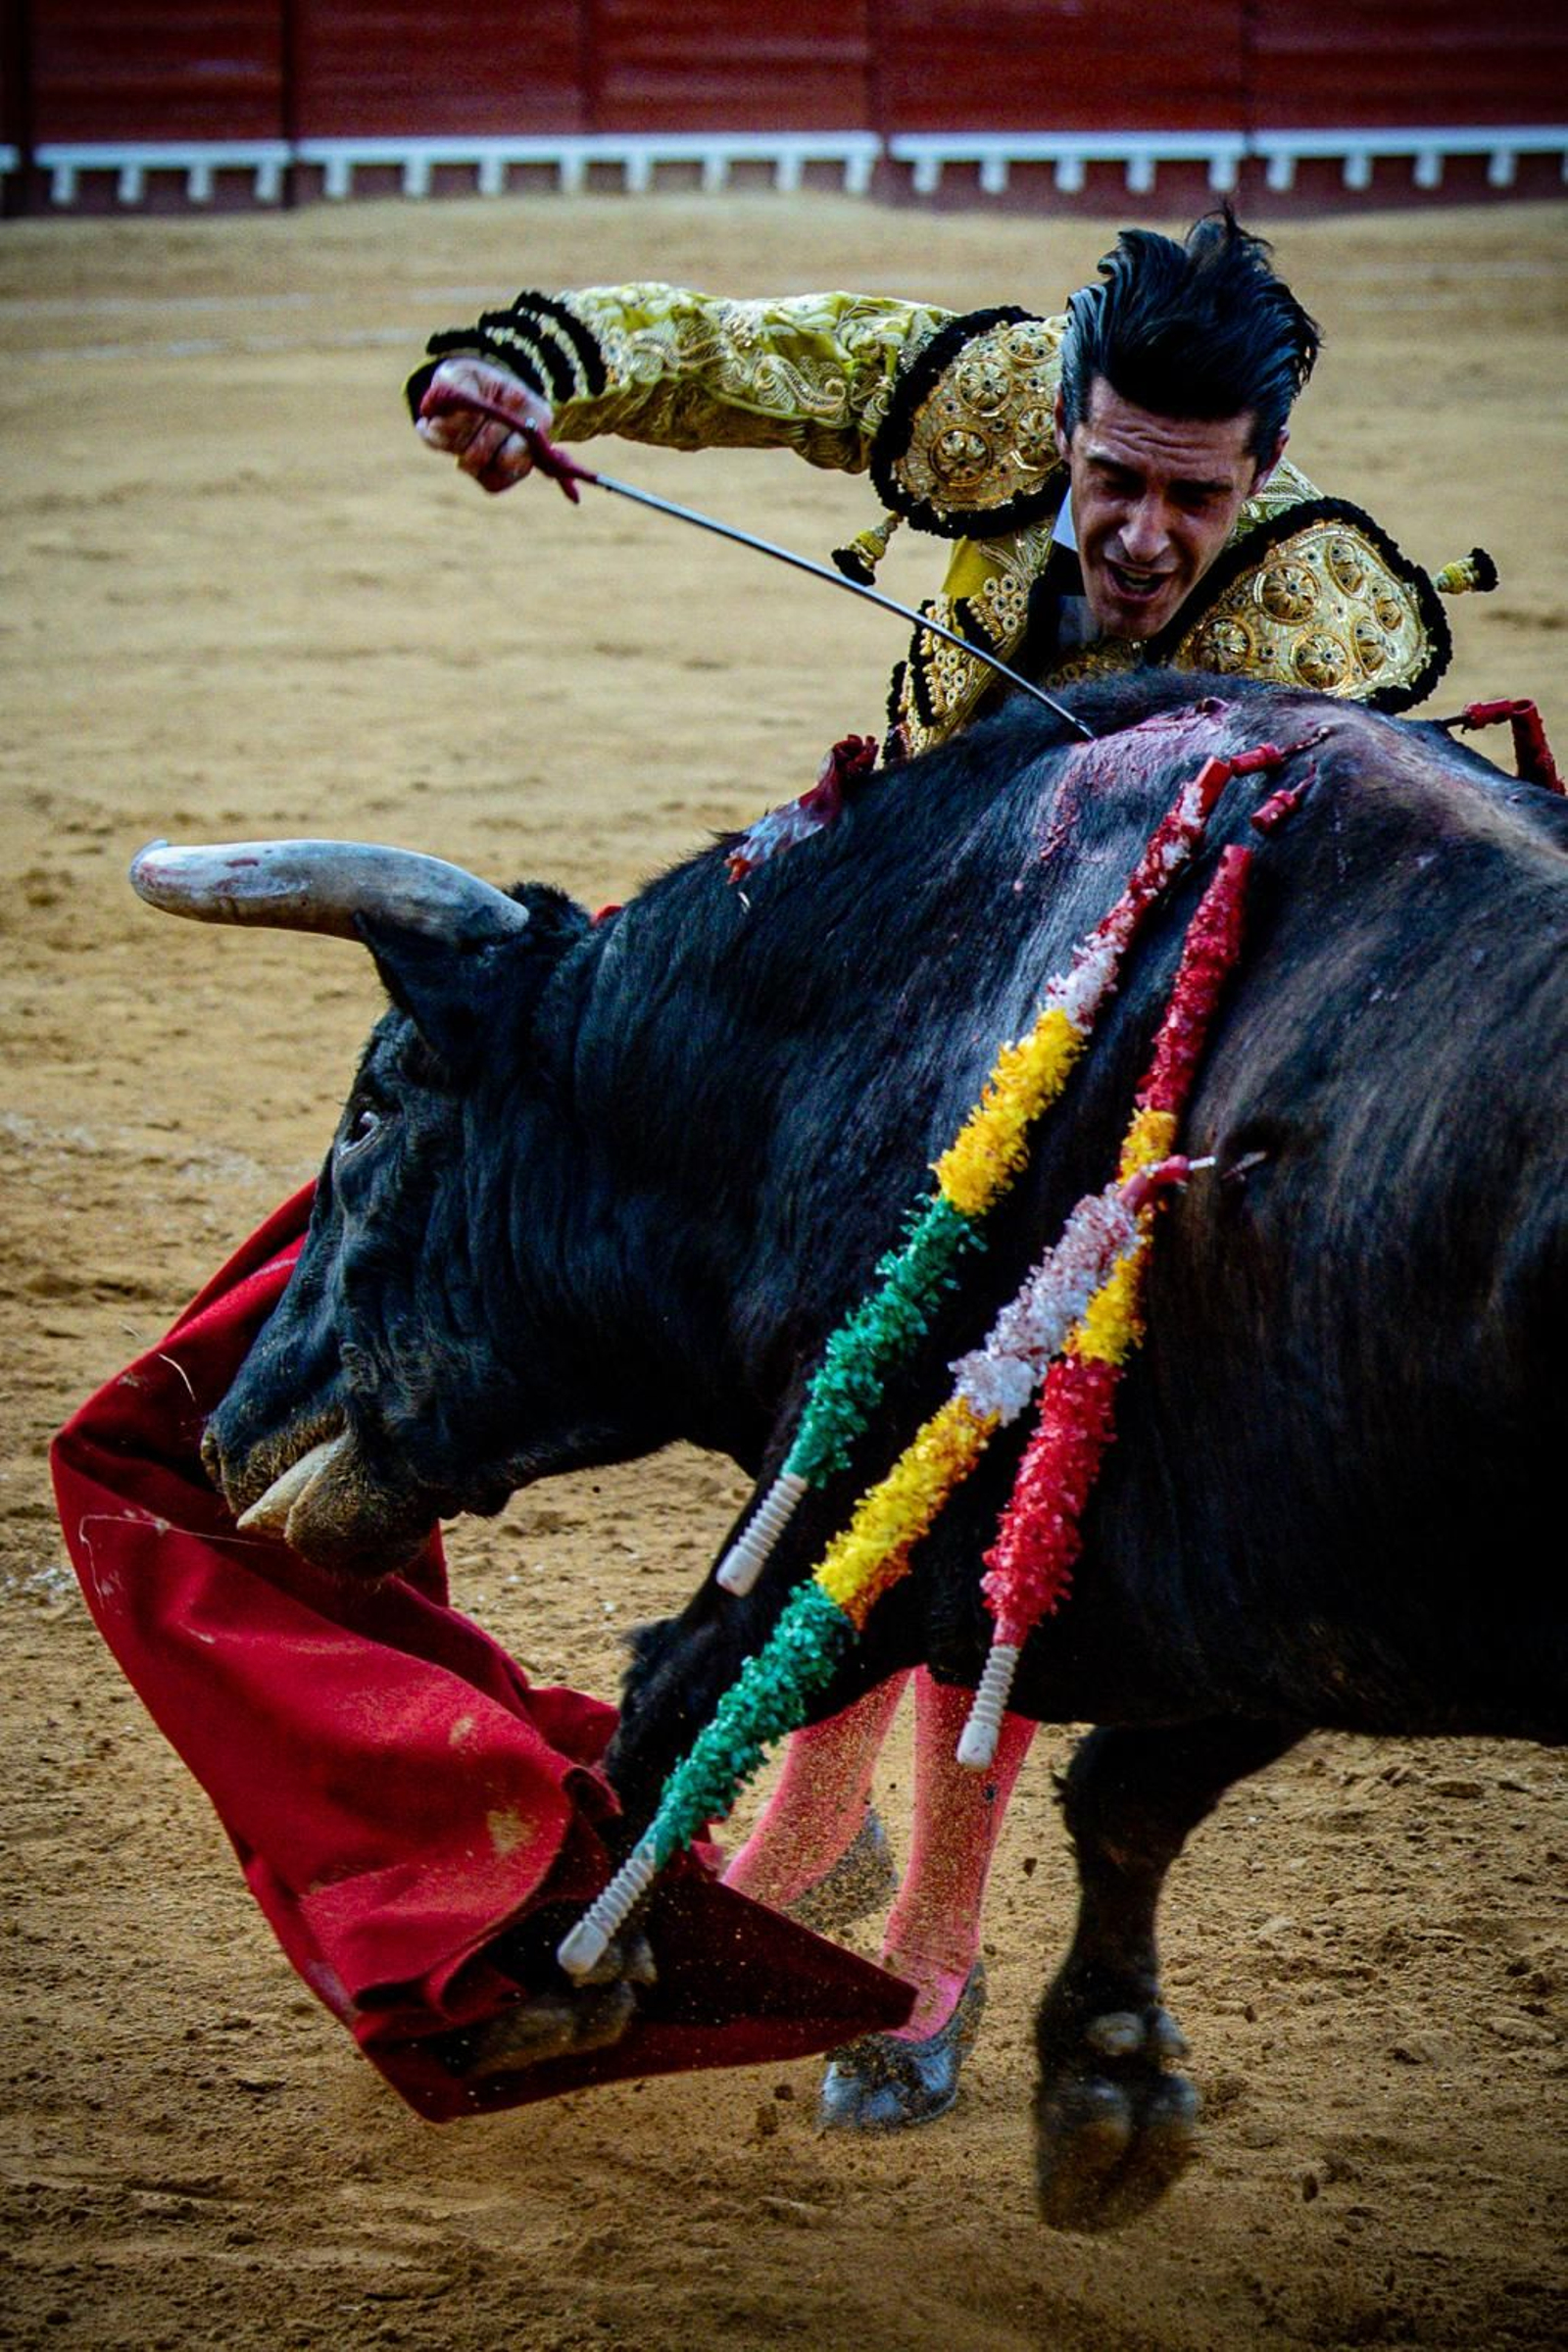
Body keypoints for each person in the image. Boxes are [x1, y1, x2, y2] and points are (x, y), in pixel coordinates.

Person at [408, 212, 1485, 2129]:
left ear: (1254, 476)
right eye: (1106, 483)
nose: (1136, 535)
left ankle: (924, 1938)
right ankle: (814, 1841)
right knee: (835, 1418)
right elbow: (760, 353)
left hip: (1141, 1109)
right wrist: (535, 371)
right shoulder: (990, 404)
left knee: (995, 1494)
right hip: (917, 994)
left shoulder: (1319, 635)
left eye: (1186, 497)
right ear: (1061, 422)